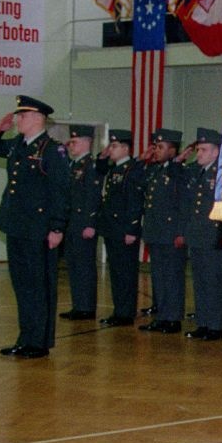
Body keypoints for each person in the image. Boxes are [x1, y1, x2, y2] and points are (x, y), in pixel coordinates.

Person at [0, 95, 71, 358]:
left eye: (22, 116)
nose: (17, 120)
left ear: (36, 119)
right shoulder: (18, 145)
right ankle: (26, 337)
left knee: (38, 286)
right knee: (22, 286)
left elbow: (60, 191)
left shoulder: (52, 150)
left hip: (39, 229)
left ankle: (38, 342)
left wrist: (57, 227)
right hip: (15, 225)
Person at [182, 128, 222, 341]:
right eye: (198, 150)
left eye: (203, 150)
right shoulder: (198, 171)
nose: (199, 154)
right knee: (200, 283)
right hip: (198, 236)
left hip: (214, 237)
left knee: (214, 284)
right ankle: (203, 322)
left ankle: (215, 325)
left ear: (216, 152)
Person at [139, 128, 188, 334]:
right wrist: (142, 160)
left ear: (173, 150)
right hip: (156, 232)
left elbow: (183, 205)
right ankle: (162, 316)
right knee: (159, 277)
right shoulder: (155, 171)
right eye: (155, 147)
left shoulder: (179, 172)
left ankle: (173, 319)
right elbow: (137, 181)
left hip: (171, 234)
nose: (156, 151)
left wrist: (180, 232)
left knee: (173, 277)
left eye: (161, 147)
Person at [96, 128, 144, 327]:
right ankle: (119, 310)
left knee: (126, 273)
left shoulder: (133, 169)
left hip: (125, 230)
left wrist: (132, 230)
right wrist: (103, 156)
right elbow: (99, 169)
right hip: (112, 228)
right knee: (116, 273)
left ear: (125, 148)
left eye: (114, 146)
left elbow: (135, 202)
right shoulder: (114, 169)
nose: (111, 150)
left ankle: (126, 313)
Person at [59, 124, 102, 321]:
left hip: (83, 224)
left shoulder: (90, 166)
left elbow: (93, 197)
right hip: (72, 224)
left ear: (87, 142)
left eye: (74, 142)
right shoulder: (74, 165)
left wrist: (91, 223)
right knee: (74, 265)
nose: (71, 145)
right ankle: (78, 305)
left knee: (84, 267)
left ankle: (87, 307)